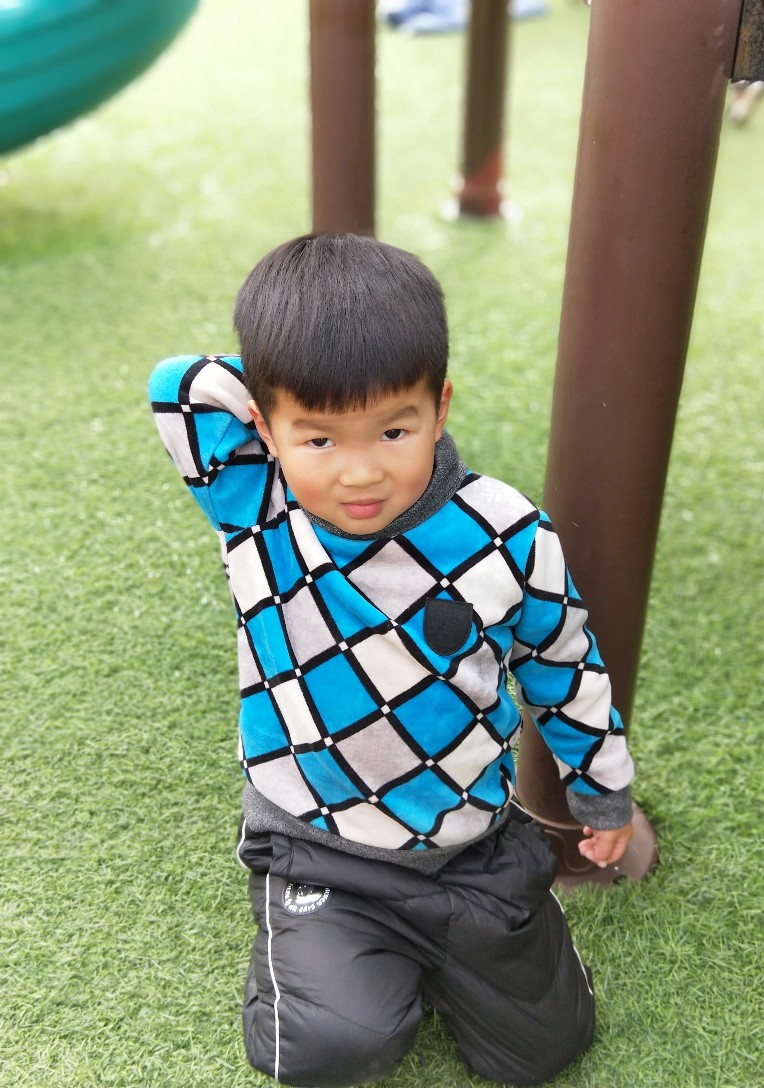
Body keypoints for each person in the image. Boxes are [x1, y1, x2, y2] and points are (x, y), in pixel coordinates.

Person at [148, 233, 635, 1088]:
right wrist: (286, 374)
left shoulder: (506, 535)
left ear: (440, 407)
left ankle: (454, 954)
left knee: (543, 1052)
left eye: (394, 429)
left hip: (471, 844)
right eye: (320, 439)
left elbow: (564, 663)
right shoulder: (256, 503)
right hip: (319, 849)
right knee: (330, 1046)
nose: (360, 474)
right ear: (265, 426)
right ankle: (321, 950)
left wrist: (602, 791)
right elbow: (176, 388)